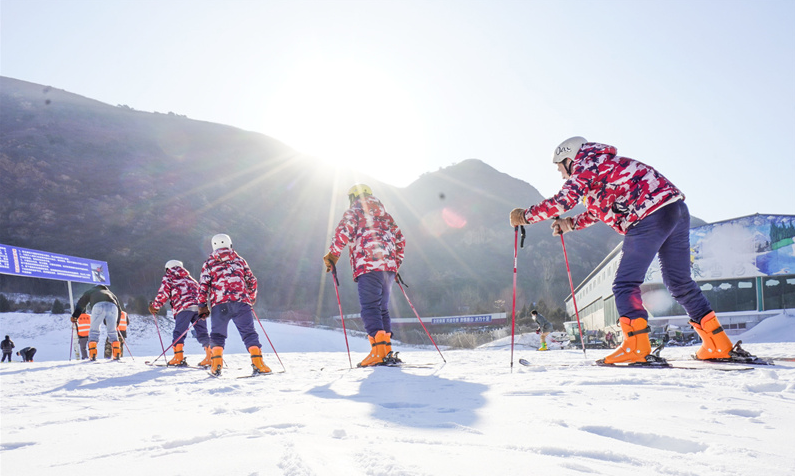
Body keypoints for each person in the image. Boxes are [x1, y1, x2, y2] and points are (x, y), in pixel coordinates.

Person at [510, 137, 754, 365]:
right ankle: (717, 343)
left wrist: (526, 216)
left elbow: (563, 201)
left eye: (560, 167)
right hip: (675, 211)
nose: (561, 174)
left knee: (625, 283)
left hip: (649, 216)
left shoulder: (586, 164)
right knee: (679, 282)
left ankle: (637, 346)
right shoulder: (602, 165)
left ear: (569, 158)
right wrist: (569, 224)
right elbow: (597, 210)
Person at [323, 184, 406, 367]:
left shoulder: (355, 210)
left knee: (370, 308)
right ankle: (386, 352)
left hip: (368, 267)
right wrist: (395, 265)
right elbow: (401, 240)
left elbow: (342, 233)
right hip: (389, 270)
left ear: (353, 197)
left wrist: (333, 256)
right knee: (382, 309)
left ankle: (377, 353)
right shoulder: (386, 215)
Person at [198, 234, 270, 376]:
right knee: (249, 333)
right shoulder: (240, 261)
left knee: (217, 335)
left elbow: (203, 286)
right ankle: (259, 365)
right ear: (230, 244)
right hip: (241, 303)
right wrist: (251, 297)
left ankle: (216, 366)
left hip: (219, 305)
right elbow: (252, 280)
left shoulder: (209, 263)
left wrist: (202, 306)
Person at [150, 260, 212, 367]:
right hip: (198, 307)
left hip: (183, 308)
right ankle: (211, 357)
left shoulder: (169, 276)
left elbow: (163, 293)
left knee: (179, 333)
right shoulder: (190, 278)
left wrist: (155, 306)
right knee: (203, 333)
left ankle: (178, 358)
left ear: (167, 268)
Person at [71, 285, 124, 361]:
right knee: (112, 331)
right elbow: (119, 308)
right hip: (113, 307)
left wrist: (75, 316)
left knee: (94, 330)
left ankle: (92, 354)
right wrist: (117, 322)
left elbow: (81, 303)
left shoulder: (91, 291)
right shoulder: (110, 293)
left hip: (98, 306)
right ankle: (117, 354)